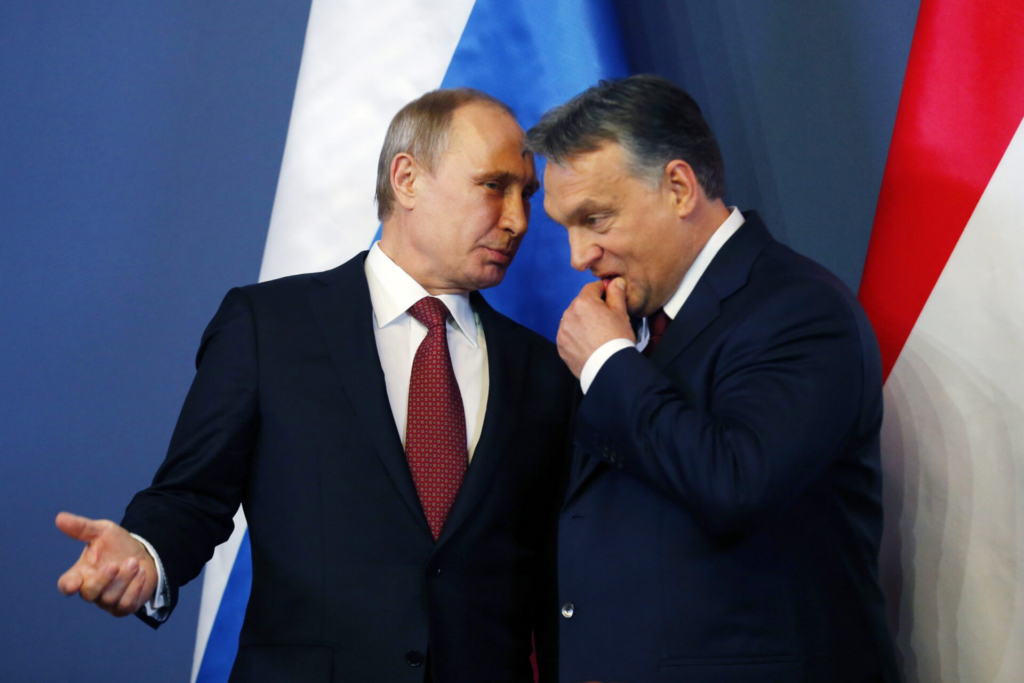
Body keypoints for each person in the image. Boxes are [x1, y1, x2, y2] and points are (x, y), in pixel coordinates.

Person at [56, 88, 575, 683]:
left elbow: (555, 576)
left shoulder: (545, 370)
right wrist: (145, 554)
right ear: (407, 179)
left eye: (526, 194)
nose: (517, 220)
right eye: (494, 186)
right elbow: (191, 497)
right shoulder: (269, 327)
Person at [527, 74, 900, 683]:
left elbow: (736, 482)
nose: (578, 255)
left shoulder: (799, 309)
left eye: (595, 218)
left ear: (679, 187)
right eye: (565, 226)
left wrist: (610, 364)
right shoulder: (632, 320)